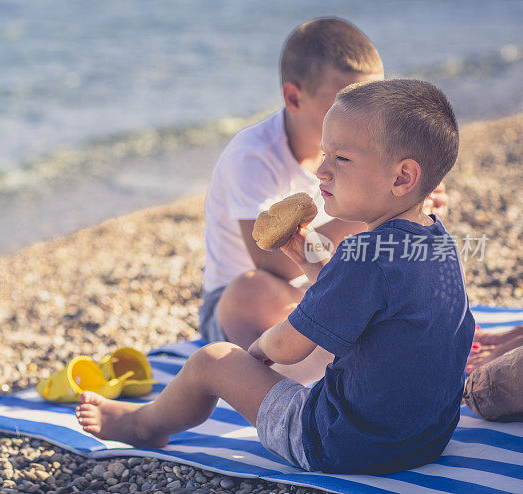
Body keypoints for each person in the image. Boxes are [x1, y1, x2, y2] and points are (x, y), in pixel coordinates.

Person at [77, 79, 474, 474]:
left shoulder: (362, 255)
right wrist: (310, 263)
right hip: (423, 441)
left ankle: (144, 425)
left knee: (212, 361)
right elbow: (362, 301)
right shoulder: (438, 244)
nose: (321, 171)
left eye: (341, 159)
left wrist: (255, 353)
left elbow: (289, 348)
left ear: (402, 177)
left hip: (340, 443)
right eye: (323, 154)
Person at [200, 18, 449, 384]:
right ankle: (324, 371)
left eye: (372, 101)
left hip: (325, 288)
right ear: (293, 98)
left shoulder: (366, 153)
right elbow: (269, 261)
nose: (365, 118)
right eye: (344, 103)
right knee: (249, 290)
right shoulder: (253, 156)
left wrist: (411, 212)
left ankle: (354, 358)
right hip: (252, 303)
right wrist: (369, 214)